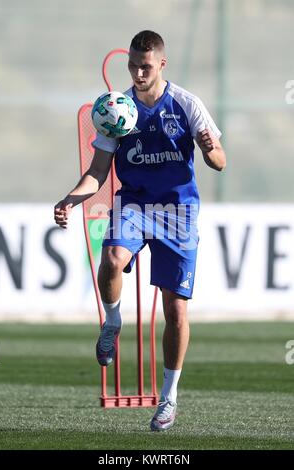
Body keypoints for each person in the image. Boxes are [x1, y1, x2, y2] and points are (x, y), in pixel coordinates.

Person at [54, 30, 226, 432]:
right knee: (112, 259)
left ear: (161, 64)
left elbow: (220, 161)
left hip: (178, 211)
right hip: (134, 204)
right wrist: (70, 198)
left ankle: (168, 399)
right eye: (132, 65)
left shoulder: (186, 103)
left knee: (175, 311)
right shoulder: (118, 109)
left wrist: (207, 147)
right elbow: (97, 173)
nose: (137, 71)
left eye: (145, 66)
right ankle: (113, 321)